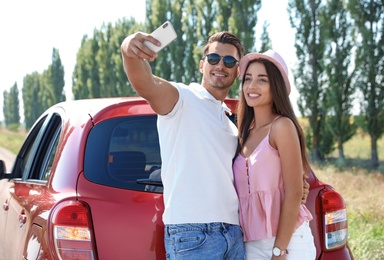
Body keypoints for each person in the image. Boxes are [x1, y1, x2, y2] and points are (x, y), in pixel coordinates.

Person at [121, 30, 310, 259]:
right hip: (193, 234)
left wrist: (293, 189)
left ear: (237, 71)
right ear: (202, 65)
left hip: (235, 235)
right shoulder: (182, 99)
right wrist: (129, 51)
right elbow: (146, 84)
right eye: (213, 59)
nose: (220, 65)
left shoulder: (234, 127)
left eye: (229, 61)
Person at [233, 50, 316, 259]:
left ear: (275, 86)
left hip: (290, 241)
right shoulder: (243, 133)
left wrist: (279, 251)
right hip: (251, 244)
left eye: (262, 80)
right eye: (248, 79)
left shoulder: (282, 126)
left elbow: (295, 191)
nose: (252, 86)